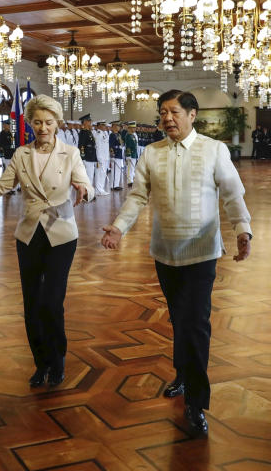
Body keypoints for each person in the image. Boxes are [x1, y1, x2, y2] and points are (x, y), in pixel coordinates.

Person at [101, 90, 252, 437]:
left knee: (196, 323)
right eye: (162, 112)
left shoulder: (214, 150)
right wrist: (119, 228)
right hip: (165, 252)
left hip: (201, 252)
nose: (167, 118)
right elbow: (138, 196)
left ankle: (196, 403)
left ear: (192, 114)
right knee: (179, 317)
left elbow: (231, 193)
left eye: (173, 112)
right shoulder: (151, 153)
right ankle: (183, 373)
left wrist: (242, 230)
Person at [0, 94, 92, 389]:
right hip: (29, 235)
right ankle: (41, 363)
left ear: (57, 124)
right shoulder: (21, 154)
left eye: (49, 122)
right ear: (30, 124)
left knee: (52, 302)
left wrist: (84, 189)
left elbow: (87, 183)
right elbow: (0, 187)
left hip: (61, 235)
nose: (43, 127)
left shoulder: (70, 153)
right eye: (37, 122)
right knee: (32, 303)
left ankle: (58, 361)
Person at [77, 115, 97, 189]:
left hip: (91, 156)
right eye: (89, 121)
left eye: (90, 121)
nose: (90, 122)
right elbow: (81, 145)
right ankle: (86, 192)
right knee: (87, 175)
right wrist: (83, 157)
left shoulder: (89, 132)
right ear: (84, 122)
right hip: (87, 157)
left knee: (90, 175)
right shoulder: (83, 132)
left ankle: (89, 191)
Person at [109, 122, 125, 190]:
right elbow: (111, 145)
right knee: (114, 170)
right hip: (115, 154)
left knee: (118, 170)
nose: (119, 127)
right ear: (114, 127)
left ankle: (116, 184)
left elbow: (121, 143)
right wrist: (112, 154)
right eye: (118, 126)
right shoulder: (112, 135)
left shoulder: (118, 134)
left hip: (119, 153)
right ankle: (113, 185)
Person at [124, 121, 138, 186]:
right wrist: (128, 155)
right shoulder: (128, 136)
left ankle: (132, 179)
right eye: (133, 128)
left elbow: (135, 146)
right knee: (129, 168)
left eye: (135, 128)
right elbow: (128, 146)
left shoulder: (133, 135)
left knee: (132, 168)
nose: (135, 129)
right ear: (130, 128)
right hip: (130, 154)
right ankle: (129, 181)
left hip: (134, 154)